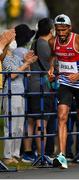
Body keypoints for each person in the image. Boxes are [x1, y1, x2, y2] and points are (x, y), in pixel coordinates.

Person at [48, 14, 79, 169]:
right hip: (65, 82)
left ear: (69, 28)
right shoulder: (53, 41)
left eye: (64, 30)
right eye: (58, 30)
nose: (61, 33)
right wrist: (51, 68)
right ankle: (62, 155)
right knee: (62, 116)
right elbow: (53, 55)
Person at [22, 17, 54, 163]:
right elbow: (53, 66)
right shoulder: (46, 45)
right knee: (42, 122)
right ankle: (42, 156)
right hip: (43, 87)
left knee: (30, 121)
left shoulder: (34, 43)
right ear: (51, 30)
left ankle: (28, 153)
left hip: (31, 85)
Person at [2, 36, 37, 165]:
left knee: (19, 126)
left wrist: (27, 61)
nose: (14, 42)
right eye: (11, 40)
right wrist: (26, 63)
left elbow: (27, 73)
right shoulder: (4, 58)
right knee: (10, 126)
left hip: (20, 93)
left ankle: (15, 154)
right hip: (11, 93)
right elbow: (12, 75)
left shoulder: (16, 58)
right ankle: (7, 155)